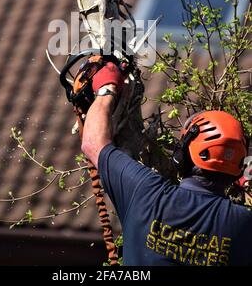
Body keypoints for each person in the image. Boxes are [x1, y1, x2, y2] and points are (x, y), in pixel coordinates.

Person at [81, 61, 252, 266]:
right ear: (238, 168)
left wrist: (106, 88)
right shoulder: (243, 224)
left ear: (183, 155)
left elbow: (93, 144)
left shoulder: (145, 191)